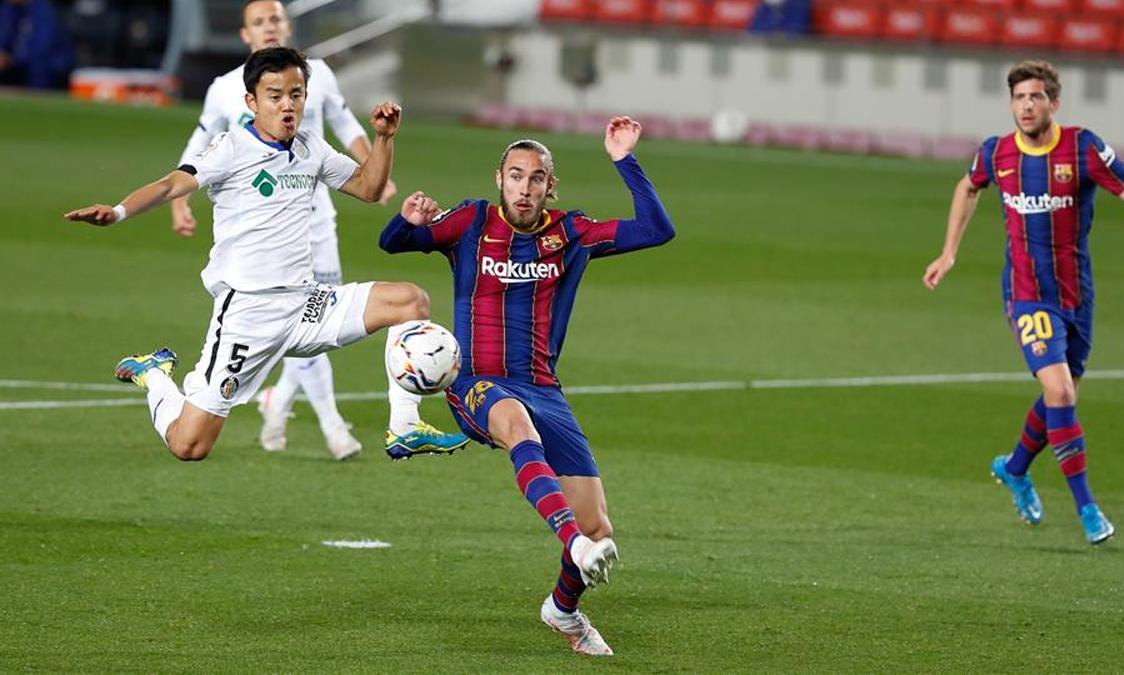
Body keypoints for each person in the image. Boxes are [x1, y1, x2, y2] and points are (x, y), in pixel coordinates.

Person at [378, 116, 675, 655]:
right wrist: (407, 220)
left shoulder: (570, 233)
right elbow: (393, 244)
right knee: (516, 426)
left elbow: (658, 229)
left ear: (549, 186)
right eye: (516, 176)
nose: (524, 187)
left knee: (600, 526)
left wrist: (623, 160)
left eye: (536, 178)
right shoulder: (470, 223)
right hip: (476, 385)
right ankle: (572, 544)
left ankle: (562, 611)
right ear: (500, 179)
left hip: (544, 389)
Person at [64, 47, 433, 464]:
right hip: (249, 315)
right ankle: (153, 374)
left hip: (305, 304)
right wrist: (118, 211)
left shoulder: (312, 147)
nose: (288, 105)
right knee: (189, 446)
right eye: (275, 95)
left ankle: (405, 427)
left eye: (296, 93)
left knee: (410, 301)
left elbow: (368, 188)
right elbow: (172, 184)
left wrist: (384, 139)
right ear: (252, 102)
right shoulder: (232, 148)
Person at [172, 0, 467, 461]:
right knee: (198, 435)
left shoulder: (319, 75)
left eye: (276, 19)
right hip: (252, 264)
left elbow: (345, 126)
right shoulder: (224, 90)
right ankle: (316, 419)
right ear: (246, 35)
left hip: (313, 227)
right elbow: (197, 152)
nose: (270, 27)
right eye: (260, 22)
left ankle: (369, 424)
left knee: (326, 324)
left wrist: (377, 157)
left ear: (288, 25)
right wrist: (178, 200)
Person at [923, 60, 1124, 545]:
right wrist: (948, 251)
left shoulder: (1082, 148)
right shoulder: (995, 153)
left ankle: (1015, 467)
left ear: (1053, 103)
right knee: (1060, 392)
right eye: (1018, 98)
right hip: (1026, 293)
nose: (1026, 106)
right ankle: (1088, 510)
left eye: (1035, 97)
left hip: (1077, 293)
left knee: (1063, 394)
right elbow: (967, 187)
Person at [0, 0, 74, 89]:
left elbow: (40, 49)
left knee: (38, 66)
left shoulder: (44, 11)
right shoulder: (8, 9)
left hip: (48, 70)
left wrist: (11, 59)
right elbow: (4, 36)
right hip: (18, 67)